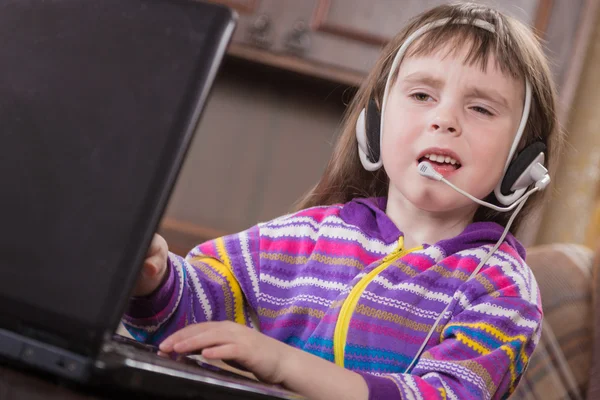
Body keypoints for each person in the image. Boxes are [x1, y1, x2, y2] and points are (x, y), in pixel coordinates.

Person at [122, 3, 563, 399]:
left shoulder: (503, 292)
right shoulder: (304, 237)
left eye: (481, 108)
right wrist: (153, 277)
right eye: (421, 95)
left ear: (523, 160)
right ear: (373, 125)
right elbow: (195, 305)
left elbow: (442, 395)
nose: (444, 120)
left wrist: (284, 363)